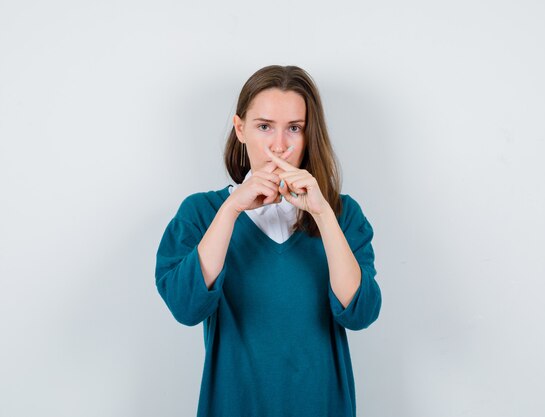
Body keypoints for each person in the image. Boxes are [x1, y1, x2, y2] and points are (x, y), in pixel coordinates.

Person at [155, 65, 382, 417]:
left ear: (310, 136)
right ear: (240, 129)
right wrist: (231, 209)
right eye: (264, 127)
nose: (280, 146)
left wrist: (323, 214)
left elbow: (361, 313)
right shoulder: (201, 213)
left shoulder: (341, 214)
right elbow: (186, 308)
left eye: (294, 128)